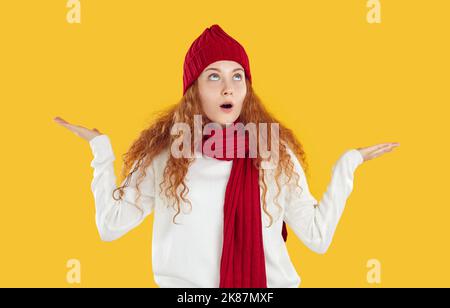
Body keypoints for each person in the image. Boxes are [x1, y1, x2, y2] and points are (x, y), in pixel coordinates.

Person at [54, 24, 399, 288]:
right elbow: (110, 226)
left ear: (247, 89)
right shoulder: (166, 156)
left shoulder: (274, 154)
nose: (228, 88)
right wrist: (100, 151)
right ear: (194, 91)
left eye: (237, 76)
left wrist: (347, 166)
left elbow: (317, 237)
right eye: (214, 76)